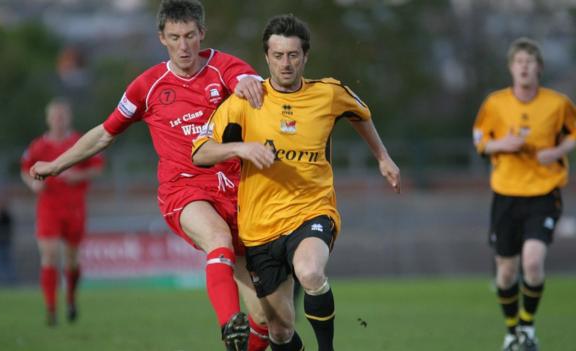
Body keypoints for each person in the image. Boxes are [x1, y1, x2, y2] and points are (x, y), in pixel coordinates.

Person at [29, 1, 269, 350]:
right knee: (218, 238)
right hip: (183, 191)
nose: (184, 45)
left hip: (237, 192)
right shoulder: (147, 86)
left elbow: (247, 79)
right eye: (175, 37)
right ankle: (228, 323)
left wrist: (252, 85)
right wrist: (57, 165)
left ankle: (246, 333)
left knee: (264, 318)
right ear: (162, 38)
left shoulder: (224, 68)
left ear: (201, 33)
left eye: (190, 36)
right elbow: (105, 132)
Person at [192, 14, 400, 351]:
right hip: (260, 226)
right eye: (277, 55)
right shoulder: (246, 100)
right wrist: (241, 147)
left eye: (292, 55)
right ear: (266, 57)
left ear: (305, 57)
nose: (285, 64)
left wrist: (382, 157)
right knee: (280, 329)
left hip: (312, 210)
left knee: (310, 272)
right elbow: (200, 152)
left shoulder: (328, 93)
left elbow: (361, 114)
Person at [472, 37, 576, 351]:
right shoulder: (495, 104)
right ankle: (511, 331)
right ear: (511, 68)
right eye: (519, 62)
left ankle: (528, 329)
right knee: (506, 271)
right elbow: (481, 139)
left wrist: (557, 150)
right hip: (506, 194)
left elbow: (574, 133)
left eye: (530, 62)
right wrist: (501, 145)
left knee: (532, 262)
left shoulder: (557, 104)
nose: (525, 67)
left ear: (539, 68)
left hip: (544, 192)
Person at [20, 98, 105, 326]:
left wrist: (77, 176)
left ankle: (70, 299)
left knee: (71, 260)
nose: (58, 120)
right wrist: (33, 183)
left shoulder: (79, 142)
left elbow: (97, 167)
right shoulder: (39, 145)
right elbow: (25, 170)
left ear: (69, 118)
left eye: (62, 116)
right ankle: (50, 308)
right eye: (54, 116)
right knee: (49, 255)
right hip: (48, 208)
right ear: (48, 119)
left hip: (75, 208)